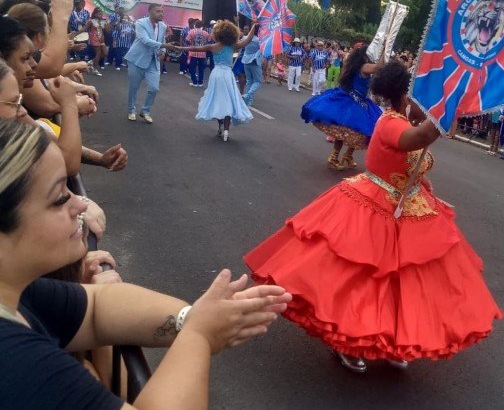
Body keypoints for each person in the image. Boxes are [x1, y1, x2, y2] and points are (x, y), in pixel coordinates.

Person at [0, 120, 292, 408]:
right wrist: (200, 336)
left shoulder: (17, 293)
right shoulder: (13, 358)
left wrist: (194, 317)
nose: (80, 205)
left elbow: (96, 309)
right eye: (60, 197)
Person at [245, 61, 502, 373]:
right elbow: (418, 140)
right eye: (421, 99)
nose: (425, 107)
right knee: (363, 281)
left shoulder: (403, 120)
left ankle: (392, 340)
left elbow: (415, 155)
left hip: (407, 208)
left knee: (403, 283)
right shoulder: (391, 122)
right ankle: (347, 340)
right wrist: (445, 108)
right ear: (405, 97)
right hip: (373, 206)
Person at [301, 45, 382, 169]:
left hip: (360, 102)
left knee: (358, 130)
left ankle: (347, 155)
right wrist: (385, 49)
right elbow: (378, 67)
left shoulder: (354, 66)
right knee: (347, 129)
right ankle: (334, 157)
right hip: (352, 102)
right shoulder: (364, 67)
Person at [188, 20, 255, 141]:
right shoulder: (233, 46)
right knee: (229, 101)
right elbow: (247, 40)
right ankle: (226, 131)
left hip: (216, 74)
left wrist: (177, 47)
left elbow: (194, 48)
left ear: (218, 33)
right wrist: (255, 26)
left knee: (217, 100)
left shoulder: (213, 46)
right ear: (231, 34)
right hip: (228, 75)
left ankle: (220, 125)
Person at [125, 4, 179, 124]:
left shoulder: (163, 26)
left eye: (162, 12)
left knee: (154, 88)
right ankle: (131, 110)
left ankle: (145, 111)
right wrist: (164, 46)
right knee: (134, 88)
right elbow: (144, 40)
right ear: (150, 12)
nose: (161, 14)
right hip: (137, 59)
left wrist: (164, 51)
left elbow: (162, 40)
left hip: (153, 61)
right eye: (158, 11)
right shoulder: (140, 23)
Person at [241, 25, 264, 106]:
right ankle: (248, 95)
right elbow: (263, 50)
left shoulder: (245, 38)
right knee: (258, 81)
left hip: (246, 61)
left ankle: (248, 100)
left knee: (249, 81)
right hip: (254, 62)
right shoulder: (259, 41)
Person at [186, 20, 212, 87]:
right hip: (202, 53)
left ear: (195, 25)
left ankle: (194, 82)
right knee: (201, 69)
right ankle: (200, 83)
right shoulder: (205, 33)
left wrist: (192, 44)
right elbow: (210, 41)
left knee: (192, 68)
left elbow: (187, 40)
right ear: (201, 26)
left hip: (193, 52)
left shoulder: (191, 31)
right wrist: (204, 45)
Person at [87, 8, 108, 76]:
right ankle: (95, 69)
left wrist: (108, 23)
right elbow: (85, 28)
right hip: (94, 38)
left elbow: (107, 31)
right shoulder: (91, 21)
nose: (101, 15)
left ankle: (91, 62)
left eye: (102, 14)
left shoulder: (103, 22)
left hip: (101, 39)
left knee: (105, 53)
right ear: (95, 14)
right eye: (99, 14)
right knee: (98, 53)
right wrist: (76, 33)